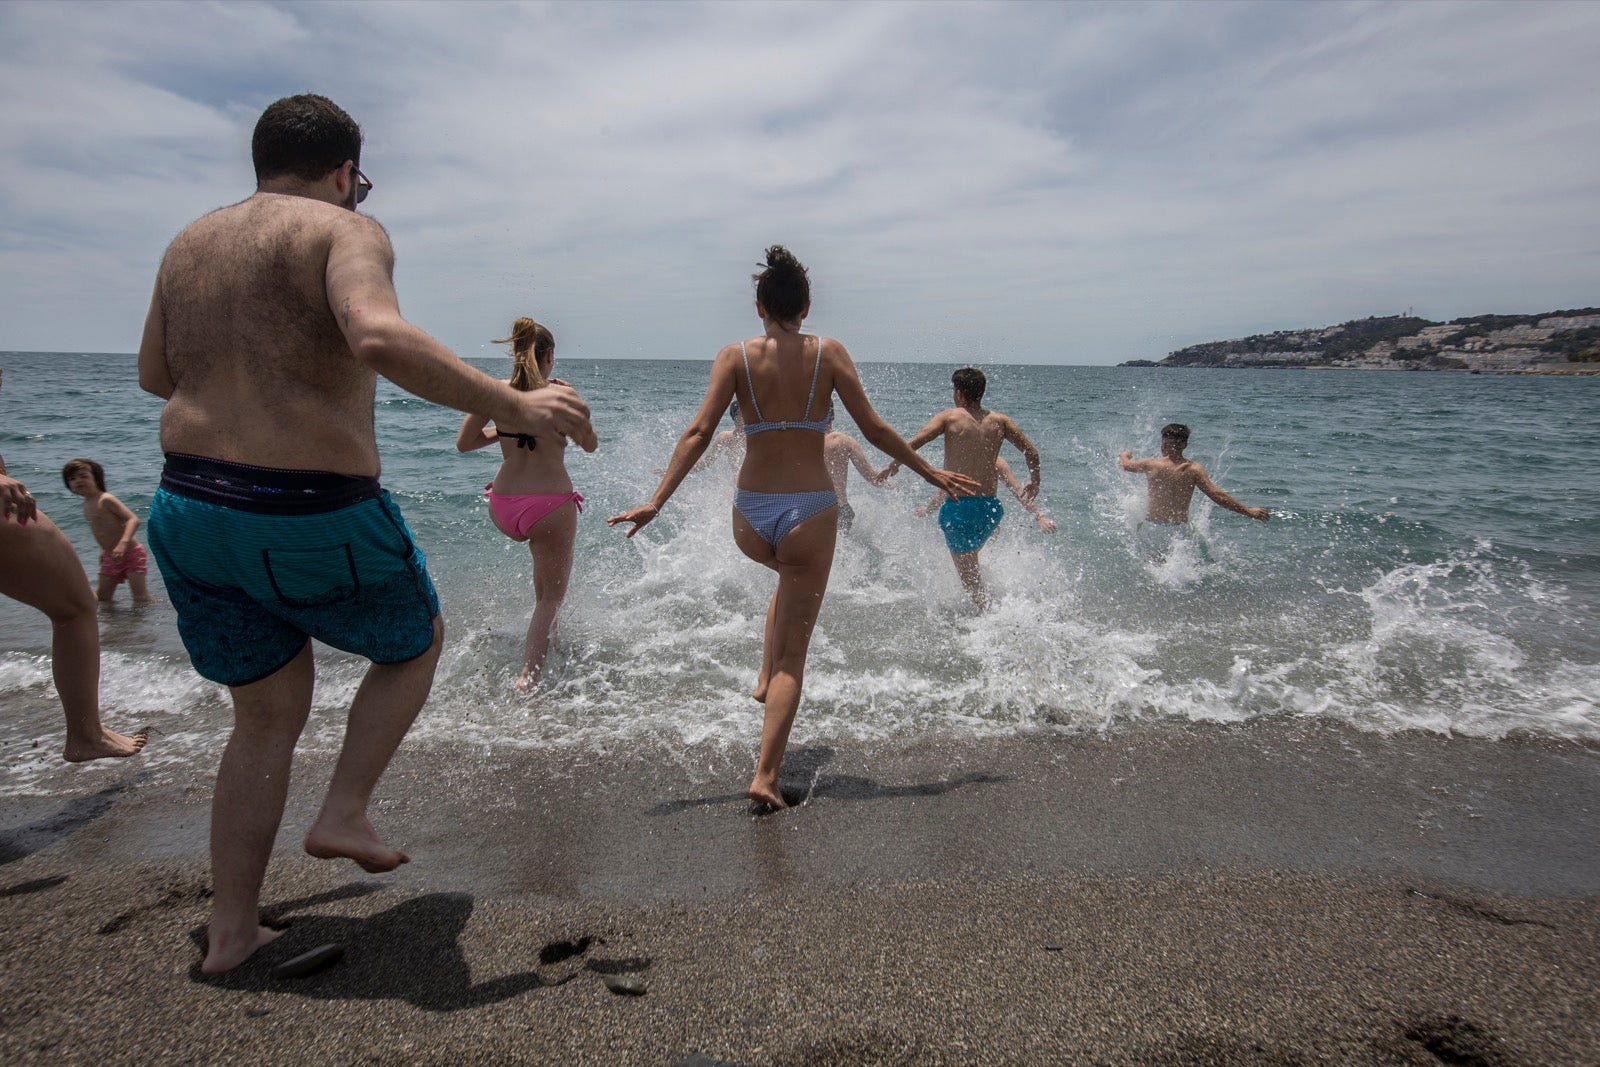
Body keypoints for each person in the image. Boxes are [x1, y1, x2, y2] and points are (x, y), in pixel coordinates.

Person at [137, 93, 595, 974]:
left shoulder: (187, 243)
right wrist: (512, 402)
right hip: (306, 502)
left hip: (187, 506)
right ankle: (343, 808)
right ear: (347, 170)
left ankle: (231, 933)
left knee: (264, 715)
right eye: (360, 181)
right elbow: (376, 335)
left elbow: (156, 372)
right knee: (414, 639)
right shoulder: (345, 229)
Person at [608, 245, 977, 809]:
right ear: (806, 306)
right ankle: (766, 775)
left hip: (749, 514)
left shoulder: (734, 357)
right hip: (809, 512)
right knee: (794, 659)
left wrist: (656, 501)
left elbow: (698, 433)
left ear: (759, 306)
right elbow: (873, 427)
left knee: (784, 583)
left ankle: (761, 677)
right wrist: (929, 472)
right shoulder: (829, 354)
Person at [456, 317, 595, 691]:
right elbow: (590, 443)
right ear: (549, 356)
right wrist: (575, 403)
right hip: (548, 506)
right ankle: (527, 677)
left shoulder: (493, 393)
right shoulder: (561, 395)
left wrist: (505, 431)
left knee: (543, 592)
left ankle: (545, 640)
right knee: (551, 598)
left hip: (502, 504)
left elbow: (465, 443)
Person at [0, 458, 149, 761]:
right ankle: (86, 735)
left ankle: (90, 733)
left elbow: (131, 519)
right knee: (77, 609)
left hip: (125, 554)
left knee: (98, 604)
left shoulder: (103, 500)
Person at [883, 367, 1041, 610]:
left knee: (971, 584)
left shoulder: (950, 417)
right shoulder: (1001, 421)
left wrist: (892, 466)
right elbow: (1031, 452)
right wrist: (1035, 480)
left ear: (958, 393)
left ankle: (992, 620)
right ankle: (997, 611)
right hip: (991, 510)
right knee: (972, 564)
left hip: (959, 510)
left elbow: (914, 443)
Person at [1118, 423, 1268, 561]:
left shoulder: (1151, 464)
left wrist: (1125, 454)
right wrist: (1249, 511)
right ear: (1185, 445)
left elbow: (1126, 465)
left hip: (1152, 528)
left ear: (1163, 443)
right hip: (1178, 532)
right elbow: (1217, 495)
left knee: (1153, 568)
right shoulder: (1193, 469)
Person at [61, 458, 154, 606]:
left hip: (131, 554)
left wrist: (123, 544)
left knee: (140, 598)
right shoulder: (86, 504)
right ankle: (114, 625)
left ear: (96, 478)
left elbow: (133, 519)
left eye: (83, 476)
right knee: (103, 597)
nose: (78, 480)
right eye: (72, 479)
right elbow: (102, 531)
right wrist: (103, 550)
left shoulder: (105, 499)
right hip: (111, 556)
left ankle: (153, 621)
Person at [916, 455, 1056, 534]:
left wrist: (1040, 517)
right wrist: (927, 511)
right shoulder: (961, 459)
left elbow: (1018, 490)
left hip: (986, 518)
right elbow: (944, 490)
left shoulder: (996, 462)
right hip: (961, 517)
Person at [824, 425, 889, 534]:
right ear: (833, 416)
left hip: (816, 508)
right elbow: (873, 478)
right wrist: (895, 486)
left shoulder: (805, 442)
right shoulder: (845, 441)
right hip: (842, 509)